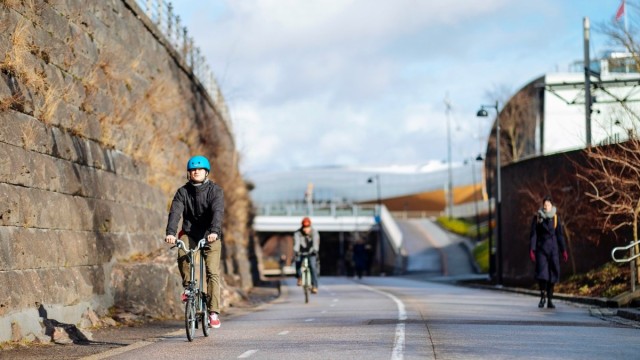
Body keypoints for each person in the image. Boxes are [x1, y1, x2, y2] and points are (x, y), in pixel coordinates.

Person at [165, 155, 224, 328]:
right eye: (192, 170)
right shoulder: (182, 192)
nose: (196, 172)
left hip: (210, 235)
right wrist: (170, 233)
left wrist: (214, 231)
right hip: (190, 233)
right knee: (182, 253)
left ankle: (213, 312)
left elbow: (217, 212)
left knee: (212, 272)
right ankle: (189, 287)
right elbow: (175, 212)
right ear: (188, 173)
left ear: (206, 172)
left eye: (199, 169)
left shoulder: (215, 191)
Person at [529, 195, 568, 309]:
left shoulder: (556, 218)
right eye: (544, 205)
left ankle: (550, 299)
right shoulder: (537, 218)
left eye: (548, 205)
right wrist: (532, 249)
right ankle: (542, 297)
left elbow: (560, 235)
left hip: (553, 250)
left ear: (552, 206)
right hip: (541, 250)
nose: (546, 206)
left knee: (553, 275)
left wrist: (563, 250)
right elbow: (533, 234)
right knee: (542, 275)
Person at [293, 217, 320, 293]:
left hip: (311, 252)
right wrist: (296, 251)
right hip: (301, 252)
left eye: (307, 227)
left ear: (310, 227)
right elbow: (297, 243)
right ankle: (299, 277)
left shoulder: (314, 233)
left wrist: (315, 250)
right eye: (304, 228)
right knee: (298, 262)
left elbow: (315, 243)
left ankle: (314, 286)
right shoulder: (297, 233)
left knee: (313, 266)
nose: (306, 229)